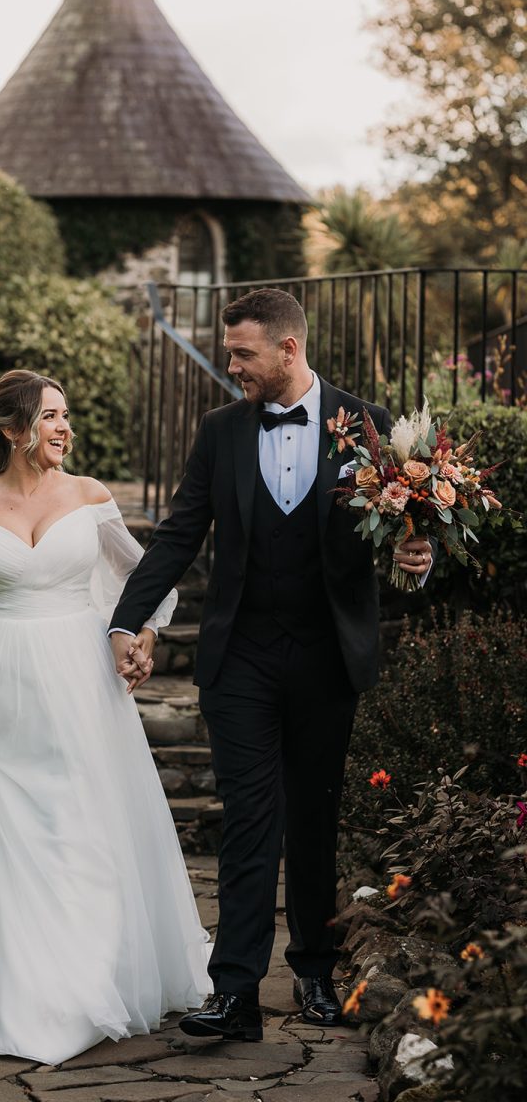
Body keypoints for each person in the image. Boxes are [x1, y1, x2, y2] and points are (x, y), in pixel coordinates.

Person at [109, 288, 432, 1040]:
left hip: (327, 657)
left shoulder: (367, 426)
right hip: (242, 656)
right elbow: (180, 533)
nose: (233, 368)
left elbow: (408, 527)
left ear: (289, 350)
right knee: (250, 821)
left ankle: (316, 974)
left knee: (314, 819)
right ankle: (236, 993)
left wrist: (418, 557)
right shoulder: (220, 432)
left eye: (244, 354)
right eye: (231, 354)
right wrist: (127, 620)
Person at [0, 369, 209, 1065]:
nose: (65, 428)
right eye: (50, 416)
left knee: (78, 826)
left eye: (66, 415)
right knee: (15, 831)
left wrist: (145, 636)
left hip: (80, 682)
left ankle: (84, 982)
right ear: (12, 430)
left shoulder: (90, 497)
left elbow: (145, 581)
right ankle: (28, 988)